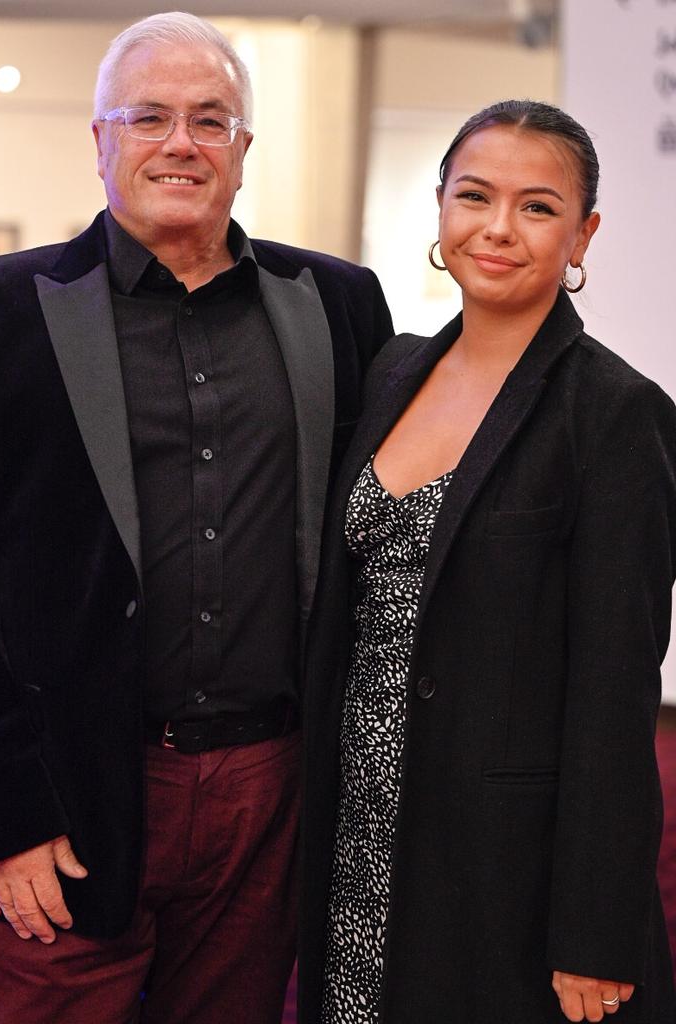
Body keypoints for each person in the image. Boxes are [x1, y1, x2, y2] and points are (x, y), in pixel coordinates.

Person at [0, 11, 393, 1024]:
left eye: (211, 120)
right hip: (69, 783)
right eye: (149, 117)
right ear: (99, 142)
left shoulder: (339, 306)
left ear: (244, 150)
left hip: (269, 792)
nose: (181, 142)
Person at [298, 99, 676, 1024]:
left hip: (504, 858)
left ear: (583, 234)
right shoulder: (391, 372)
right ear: (440, 211)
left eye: (538, 207)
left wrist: (595, 927)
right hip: (358, 824)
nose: (498, 228)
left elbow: (615, 691)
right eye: (474, 196)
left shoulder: (616, 414)